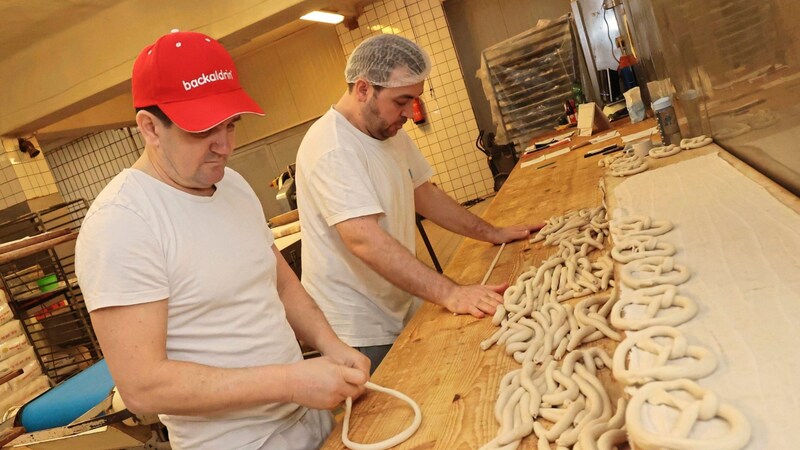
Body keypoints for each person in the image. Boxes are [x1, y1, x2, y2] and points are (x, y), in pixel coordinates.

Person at [75, 30, 370, 450]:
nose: (225, 146)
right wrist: (289, 381)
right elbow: (142, 386)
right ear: (150, 128)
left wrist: (331, 345)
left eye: (231, 124)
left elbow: (281, 283)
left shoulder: (231, 184)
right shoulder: (122, 222)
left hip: (309, 421)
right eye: (202, 131)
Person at [295, 34, 542, 373]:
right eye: (401, 101)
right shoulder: (332, 147)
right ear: (364, 89)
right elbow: (362, 239)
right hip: (357, 328)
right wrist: (451, 293)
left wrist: (491, 232)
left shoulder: (390, 134)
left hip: (397, 300)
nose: (410, 113)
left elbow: (425, 194)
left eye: (414, 99)